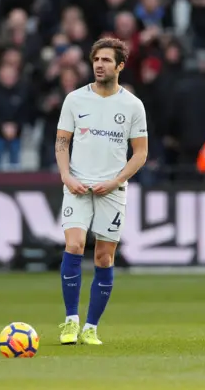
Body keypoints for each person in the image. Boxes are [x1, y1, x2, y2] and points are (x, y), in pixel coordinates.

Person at [55, 37, 148, 345]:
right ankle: (70, 321)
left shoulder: (133, 105)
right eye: (96, 59)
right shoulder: (74, 100)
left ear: (120, 66)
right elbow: (62, 142)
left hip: (112, 189)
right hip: (77, 186)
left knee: (105, 257)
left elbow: (140, 153)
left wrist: (116, 180)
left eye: (106, 60)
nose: (99, 64)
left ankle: (91, 327)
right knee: (75, 245)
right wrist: (67, 176)